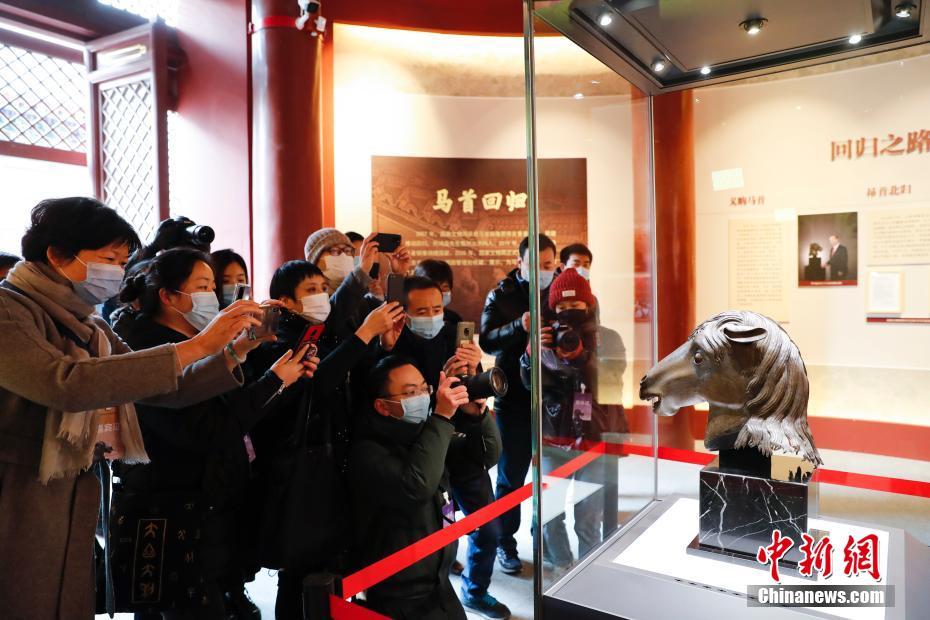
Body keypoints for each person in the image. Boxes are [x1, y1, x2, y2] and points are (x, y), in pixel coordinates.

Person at [0, 197, 262, 619]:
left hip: (72, 490)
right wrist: (199, 344)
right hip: (19, 493)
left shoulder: (92, 324)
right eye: (108, 259)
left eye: (123, 262)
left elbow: (162, 388)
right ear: (57, 255)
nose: (118, 273)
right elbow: (65, 383)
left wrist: (232, 353)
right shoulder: (9, 310)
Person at [114, 248, 318, 619]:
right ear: (169, 296)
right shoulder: (151, 350)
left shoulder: (201, 339)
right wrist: (274, 381)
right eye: (204, 285)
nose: (214, 294)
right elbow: (210, 428)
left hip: (213, 505)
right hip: (175, 506)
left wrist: (248, 350)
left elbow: (234, 410)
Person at [247, 260, 403, 619]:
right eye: (311, 290)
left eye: (323, 288)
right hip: (301, 471)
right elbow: (314, 388)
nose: (321, 297)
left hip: (334, 463)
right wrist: (362, 336)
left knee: (332, 569)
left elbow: (357, 382)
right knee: (300, 572)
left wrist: (380, 346)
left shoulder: (329, 332)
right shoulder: (276, 342)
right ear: (286, 302)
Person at [380, 277, 510, 618]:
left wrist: (473, 370)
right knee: (438, 537)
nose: (432, 317)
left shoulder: (455, 335)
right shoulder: (392, 344)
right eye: (421, 311)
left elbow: (475, 399)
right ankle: (442, 591)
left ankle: (475, 590)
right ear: (404, 313)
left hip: (463, 451)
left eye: (437, 309)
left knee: (488, 529)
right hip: (423, 457)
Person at [350, 357, 499, 619]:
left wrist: (477, 417)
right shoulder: (367, 451)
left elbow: (484, 457)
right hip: (397, 594)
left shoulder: (426, 432)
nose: (421, 397)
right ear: (382, 406)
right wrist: (441, 417)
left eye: (423, 388)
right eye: (409, 392)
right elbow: (417, 485)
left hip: (439, 583)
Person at [520, 268, 628, 570]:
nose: (568, 313)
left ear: (589, 304)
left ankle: (588, 575)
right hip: (555, 437)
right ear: (551, 308)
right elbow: (530, 383)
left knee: (589, 516)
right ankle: (564, 568)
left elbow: (610, 384)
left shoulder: (608, 338)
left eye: (575, 306)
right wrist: (530, 354)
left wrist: (581, 356)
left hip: (595, 437)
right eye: (561, 307)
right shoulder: (546, 340)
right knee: (549, 513)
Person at [480, 234, 557, 575]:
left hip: (554, 399)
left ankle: (547, 542)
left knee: (554, 475)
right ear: (520, 263)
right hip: (513, 399)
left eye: (548, 265)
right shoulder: (502, 294)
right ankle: (505, 545)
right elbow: (486, 339)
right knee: (511, 478)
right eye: (535, 265)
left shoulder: (560, 291)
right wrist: (519, 327)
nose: (543, 271)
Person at [415, 258, 462, 323]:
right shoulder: (406, 320)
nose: (440, 292)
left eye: (445, 287)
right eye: (434, 287)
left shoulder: (454, 320)